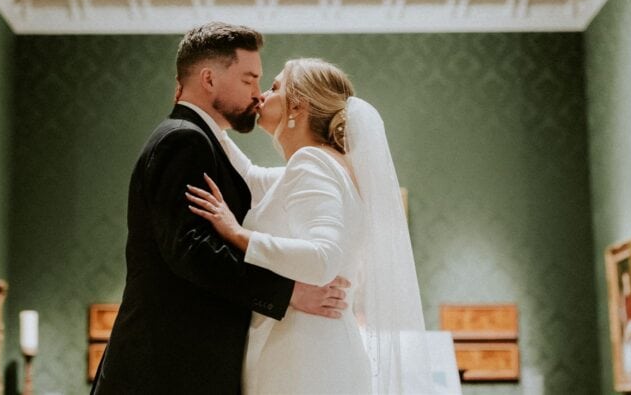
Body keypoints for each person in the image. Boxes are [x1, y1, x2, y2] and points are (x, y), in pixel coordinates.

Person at [92, 24, 349, 394]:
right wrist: (290, 293)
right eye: (249, 80)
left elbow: (265, 177)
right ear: (209, 79)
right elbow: (192, 251)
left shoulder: (205, 139)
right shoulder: (184, 140)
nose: (258, 94)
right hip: (167, 370)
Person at [188, 58, 430, 393]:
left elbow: (322, 259)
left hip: (303, 353)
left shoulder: (311, 162)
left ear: (297, 106)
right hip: (312, 345)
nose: (260, 96)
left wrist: (238, 234)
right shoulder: (321, 164)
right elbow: (250, 177)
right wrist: (201, 110)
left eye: (274, 88)